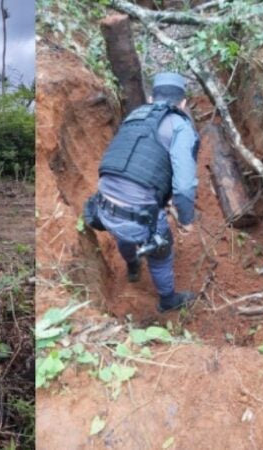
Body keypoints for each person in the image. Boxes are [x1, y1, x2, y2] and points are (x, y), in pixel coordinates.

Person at [85, 72, 200, 313]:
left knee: (125, 232)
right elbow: (185, 186)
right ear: (183, 103)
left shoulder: (134, 116)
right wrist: (187, 220)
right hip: (139, 214)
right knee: (160, 254)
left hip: (103, 205)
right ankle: (168, 301)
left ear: (151, 98)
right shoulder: (180, 126)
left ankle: (133, 266)